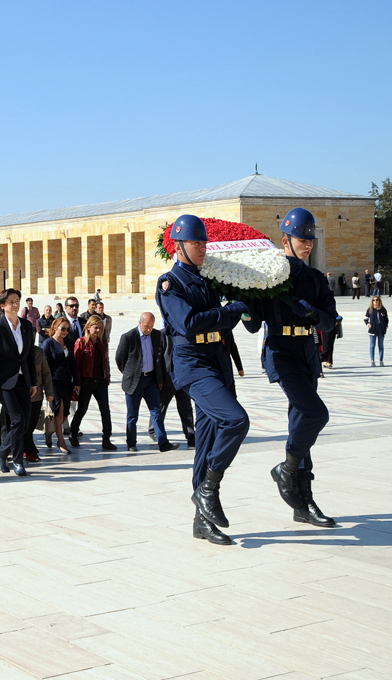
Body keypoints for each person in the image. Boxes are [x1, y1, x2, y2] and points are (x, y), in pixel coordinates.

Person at [156, 214, 250, 545]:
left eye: (203, 243)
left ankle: (202, 521)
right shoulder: (170, 283)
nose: (202, 248)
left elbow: (222, 324)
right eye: (195, 243)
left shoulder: (208, 279)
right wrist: (229, 311)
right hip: (193, 365)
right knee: (236, 420)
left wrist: (239, 308)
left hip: (217, 361)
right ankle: (208, 489)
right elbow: (189, 323)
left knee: (207, 441)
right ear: (178, 246)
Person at [244, 207, 339, 529]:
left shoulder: (315, 279)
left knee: (302, 423)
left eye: (311, 239)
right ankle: (287, 469)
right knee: (315, 414)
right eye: (302, 239)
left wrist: (310, 312)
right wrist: (242, 301)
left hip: (307, 352)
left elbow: (330, 321)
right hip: (281, 353)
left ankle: (303, 502)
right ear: (285, 240)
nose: (308, 244)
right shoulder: (270, 277)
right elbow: (253, 325)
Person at [0, 288, 38, 476]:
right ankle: (17, 461)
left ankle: (2, 451)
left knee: (24, 423)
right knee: (18, 420)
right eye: (11, 302)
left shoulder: (26, 326)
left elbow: (29, 356)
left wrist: (33, 382)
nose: (15, 305)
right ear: (2, 305)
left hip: (23, 380)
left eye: (17, 301)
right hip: (4, 383)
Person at [116, 312, 180, 454]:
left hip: (151, 380)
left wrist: (160, 379)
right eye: (146, 326)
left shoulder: (157, 335)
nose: (148, 329)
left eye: (151, 326)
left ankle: (163, 443)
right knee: (132, 415)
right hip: (134, 381)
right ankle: (131, 443)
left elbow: (159, 358)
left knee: (156, 412)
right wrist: (129, 374)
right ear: (140, 323)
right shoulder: (128, 337)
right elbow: (120, 359)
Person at [71, 314, 116, 451]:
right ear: (88, 327)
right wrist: (77, 383)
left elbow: (105, 361)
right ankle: (73, 433)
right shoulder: (81, 342)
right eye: (95, 328)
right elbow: (76, 364)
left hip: (100, 381)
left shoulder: (102, 343)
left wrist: (107, 377)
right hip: (86, 381)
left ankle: (106, 438)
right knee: (82, 409)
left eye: (100, 328)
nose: (98, 330)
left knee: (105, 410)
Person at [149, 330, 196, 449]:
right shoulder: (162, 334)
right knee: (160, 406)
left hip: (183, 378)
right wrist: (159, 379)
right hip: (167, 379)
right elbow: (158, 358)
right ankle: (154, 431)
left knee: (186, 408)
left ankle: (190, 434)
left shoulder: (185, 332)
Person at [41, 317, 78, 455]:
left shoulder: (68, 342)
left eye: (67, 329)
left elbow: (73, 363)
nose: (65, 332)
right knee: (59, 411)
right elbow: (44, 367)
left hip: (66, 382)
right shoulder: (48, 344)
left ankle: (49, 432)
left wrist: (76, 382)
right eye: (63, 328)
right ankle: (61, 441)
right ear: (55, 327)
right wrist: (45, 386)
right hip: (54, 383)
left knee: (65, 413)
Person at [27, 343, 53, 459]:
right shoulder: (15, 350)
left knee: (33, 421)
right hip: (20, 393)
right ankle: (28, 449)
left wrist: (49, 392)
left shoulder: (38, 352)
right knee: (25, 423)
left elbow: (46, 373)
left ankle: (27, 446)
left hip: (36, 394)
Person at [364, 294, 389, 367]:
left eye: (376, 300)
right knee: (372, 345)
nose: (375, 301)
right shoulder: (370, 309)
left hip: (381, 329)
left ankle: (381, 360)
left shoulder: (383, 310)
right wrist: (368, 324)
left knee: (380, 345)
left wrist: (385, 327)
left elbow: (386, 319)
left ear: (379, 301)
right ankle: (372, 361)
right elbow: (365, 319)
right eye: (373, 300)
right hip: (373, 330)